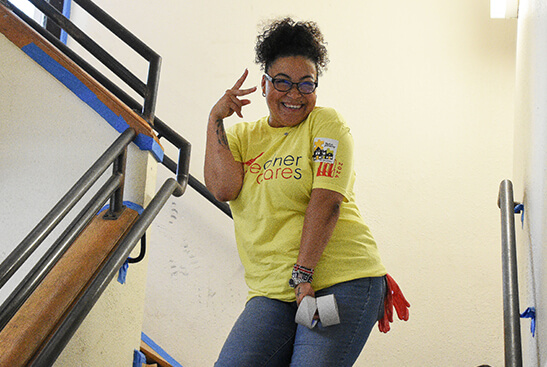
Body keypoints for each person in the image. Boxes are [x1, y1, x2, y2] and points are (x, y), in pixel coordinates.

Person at [205, 17, 399, 366]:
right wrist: (214, 120)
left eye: (305, 84)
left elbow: (326, 202)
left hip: (342, 280)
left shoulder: (326, 125)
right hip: (272, 292)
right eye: (282, 82)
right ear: (264, 85)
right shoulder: (240, 138)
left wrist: (303, 276)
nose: (294, 94)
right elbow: (223, 188)